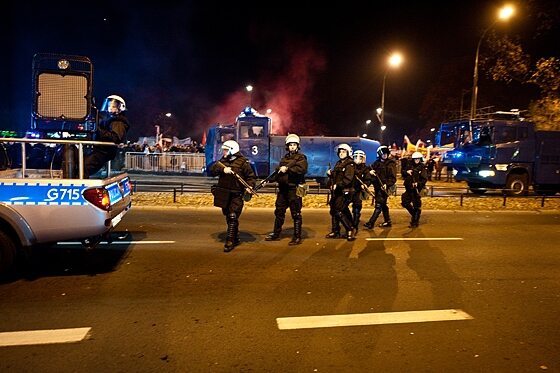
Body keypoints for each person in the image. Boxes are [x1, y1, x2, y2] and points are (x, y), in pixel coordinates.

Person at [209, 140, 256, 252]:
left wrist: (249, 186)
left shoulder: (243, 163)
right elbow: (212, 171)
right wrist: (222, 169)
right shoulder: (222, 161)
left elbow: (251, 177)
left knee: (232, 216)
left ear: (232, 150)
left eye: (226, 150)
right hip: (224, 194)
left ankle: (230, 240)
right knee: (228, 216)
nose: (224, 152)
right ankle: (235, 236)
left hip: (237, 194)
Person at [264, 134, 308, 245]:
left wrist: (288, 168)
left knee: (296, 213)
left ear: (297, 146)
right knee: (279, 212)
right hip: (283, 190)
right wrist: (268, 180)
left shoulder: (301, 157)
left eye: (294, 145)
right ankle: (276, 233)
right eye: (290, 145)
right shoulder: (284, 158)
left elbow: (302, 169)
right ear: (287, 146)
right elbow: (279, 173)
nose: (292, 147)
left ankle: (297, 237)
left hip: (295, 189)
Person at [84, 95, 130, 178]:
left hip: (103, 152)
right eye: (109, 106)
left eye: (113, 106)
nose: (109, 108)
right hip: (100, 150)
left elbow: (115, 137)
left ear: (120, 108)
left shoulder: (118, 122)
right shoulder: (111, 120)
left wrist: (98, 130)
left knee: (84, 168)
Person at [326, 143, 356, 241]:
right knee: (334, 210)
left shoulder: (350, 164)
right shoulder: (339, 163)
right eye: (340, 152)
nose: (341, 154)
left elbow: (348, 179)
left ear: (348, 153)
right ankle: (335, 231)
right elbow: (336, 176)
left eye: (343, 152)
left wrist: (337, 185)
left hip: (345, 191)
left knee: (339, 210)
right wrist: (331, 174)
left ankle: (349, 229)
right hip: (337, 192)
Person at [364, 145, 397, 229]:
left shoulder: (391, 164)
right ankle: (387, 221)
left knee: (379, 205)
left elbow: (393, 178)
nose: (385, 155)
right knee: (383, 205)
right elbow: (368, 169)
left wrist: (387, 184)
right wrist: (370, 172)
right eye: (383, 154)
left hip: (385, 188)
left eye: (386, 153)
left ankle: (371, 223)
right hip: (377, 187)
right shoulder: (376, 163)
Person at [401, 151, 428, 228]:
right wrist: (406, 172)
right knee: (404, 202)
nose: (416, 160)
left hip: (416, 190)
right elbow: (402, 172)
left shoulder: (422, 167)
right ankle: (414, 215)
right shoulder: (409, 165)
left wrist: (418, 184)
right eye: (415, 159)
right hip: (408, 188)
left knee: (416, 205)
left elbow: (424, 179)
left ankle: (415, 222)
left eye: (418, 159)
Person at [350, 149, 372, 232]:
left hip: (358, 190)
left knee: (357, 207)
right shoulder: (351, 167)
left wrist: (366, 184)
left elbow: (368, 179)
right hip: (350, 189)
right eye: (356, 157)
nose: (358, 159)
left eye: (360, 157)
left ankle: (355, 224)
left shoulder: (365, 169)